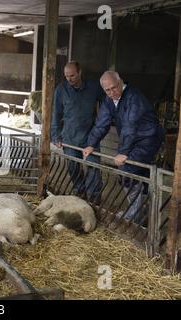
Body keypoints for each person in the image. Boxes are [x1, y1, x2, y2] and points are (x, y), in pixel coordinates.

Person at [83, 71, 165, 222]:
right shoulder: (109, 100)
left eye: (114, 87)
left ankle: (135, 214)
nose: (112, 92)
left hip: (148, 138)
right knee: (141, 175)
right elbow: (102, 122)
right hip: (133, 139)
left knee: (127, 170)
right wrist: (91, 144)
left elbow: (130, 125)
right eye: (107, 90)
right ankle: (142, 210)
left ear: (120, 82)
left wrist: (123, 152)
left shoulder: (134, 97)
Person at [51, 61, 104, 200]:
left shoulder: (93, 87)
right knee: (73, 167)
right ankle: (80, 192)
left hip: (90, 136)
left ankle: (94, 197)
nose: (69, 79)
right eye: (66, 76)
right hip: (70, 135)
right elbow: (56, 113)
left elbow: (106, 105)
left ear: (80, 72)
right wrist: (55, 135)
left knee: (93, 167)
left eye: (72, 75)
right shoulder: (61, 89)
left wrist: (100, 124)